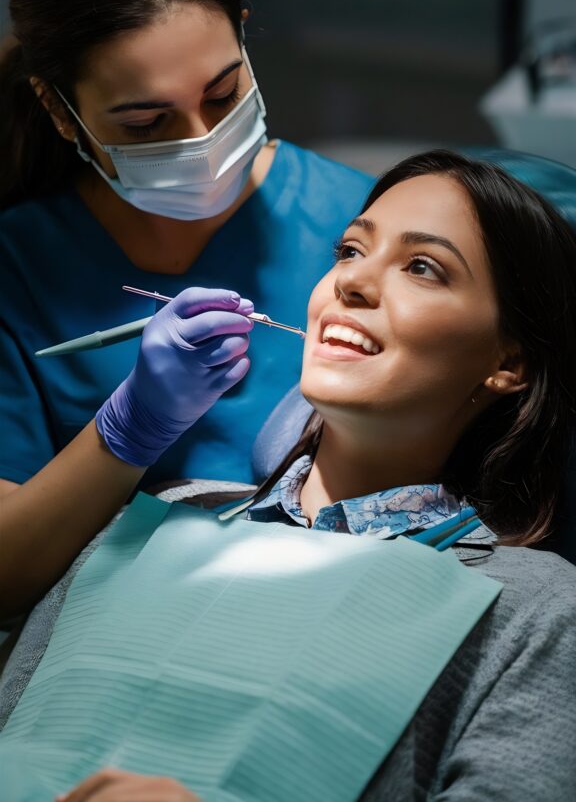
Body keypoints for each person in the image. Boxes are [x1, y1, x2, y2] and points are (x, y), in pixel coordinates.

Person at [2, 150, 576, 801]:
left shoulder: (534, 607)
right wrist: (128, 425)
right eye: (350, 251)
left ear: (508, 363)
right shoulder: (151, 519)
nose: (352, 281)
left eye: (422, 267)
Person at [0, 0, 372, 616]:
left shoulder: (361, 223)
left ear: (243, 34)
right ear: (58, 109)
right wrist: (129, 429)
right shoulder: (19, 269)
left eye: (223, 93)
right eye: (146, 124)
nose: (201, 141)